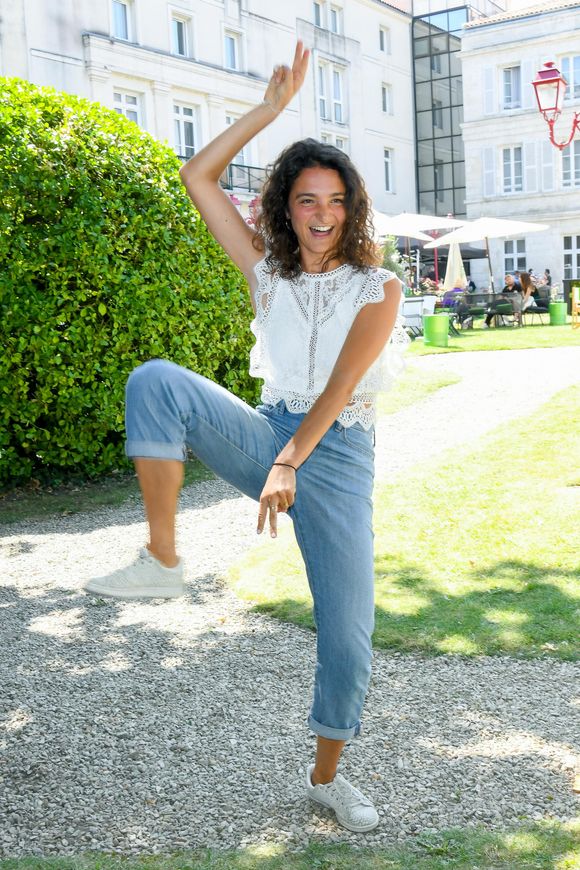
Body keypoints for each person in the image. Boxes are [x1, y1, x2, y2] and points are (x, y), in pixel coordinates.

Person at [84, 42, 406, 832]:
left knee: (349, 635)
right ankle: (163, 559)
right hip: (269, 430)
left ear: (351, 206)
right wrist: (268, 111)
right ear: (284, 207)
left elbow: (339, 390)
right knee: (156, 379)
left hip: (335, 454)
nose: (322, 213)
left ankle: (328, 776)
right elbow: (197, 178)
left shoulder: (379, 286)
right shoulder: (267, 270)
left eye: (334, 199)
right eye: (305, 199)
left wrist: (292, 460)